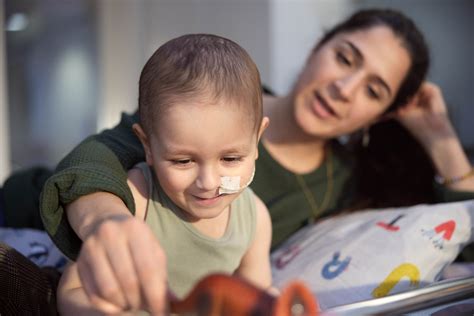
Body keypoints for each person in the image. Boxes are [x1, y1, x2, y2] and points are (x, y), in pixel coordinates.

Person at [32, 7, 474, 313]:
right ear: (320, 45)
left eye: (374, 91)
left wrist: (441, 141)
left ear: (381, 115)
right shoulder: (211, 96)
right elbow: (97, 157)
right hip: (31, 203)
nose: (345, 88)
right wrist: (107, 222)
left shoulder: (341, 185)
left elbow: (460, 236)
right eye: (345, 58)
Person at [56, 34, 272, 314]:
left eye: (230, 158)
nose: (208, 183)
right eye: (183, 161)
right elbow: (72, 293)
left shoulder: (254, 219)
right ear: (148, 146)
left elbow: (258, 295)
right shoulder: (135, 199)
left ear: (256, 143)